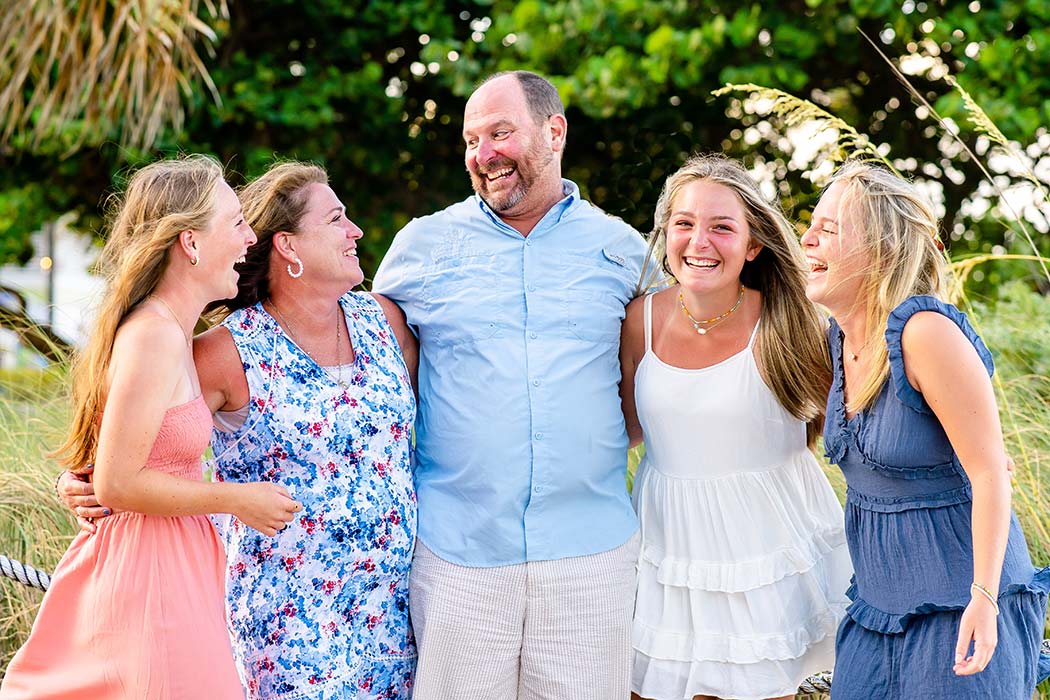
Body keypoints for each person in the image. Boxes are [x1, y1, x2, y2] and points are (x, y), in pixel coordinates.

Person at [57, 161, 420, 700]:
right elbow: (126, 449)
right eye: (337, 218)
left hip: (391, 613)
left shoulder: (385, 321)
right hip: (289, 623)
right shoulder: (221, 351)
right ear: (290, 248)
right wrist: (79, 481)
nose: (357, 232)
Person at [372, 70, 647, 699]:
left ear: (554, 132)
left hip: (591, 551)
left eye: (500, 133)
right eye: (471, 141)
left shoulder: (622, 250)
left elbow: (653, 381)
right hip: (457, 551)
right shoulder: (421, 245)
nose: (483, 155)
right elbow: (350, 373)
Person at [2, 155, 300, 699]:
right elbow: (119, 483)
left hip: (173, 567)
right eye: (235, 222)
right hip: (149, 578)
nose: (249, 237)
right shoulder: (153, 336)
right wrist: (237, 499)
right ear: (190, 242)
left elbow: (110, 465)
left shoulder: (174, 334)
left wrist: (78, 480)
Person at [801, 161, 1050, 699]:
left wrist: (984, 598)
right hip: (876, 611)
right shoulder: (836, 340)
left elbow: (989, 473)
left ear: (881, 250)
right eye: (811, 224)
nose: (808, 237)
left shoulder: (924, 333)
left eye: (829, 228)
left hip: (961, 604)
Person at [620, 154, 852, 700]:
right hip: (667, 543)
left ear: (753, 245)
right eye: (684, 223)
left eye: (721, 227)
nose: (699, 241)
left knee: (772, 686)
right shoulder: (640, 320)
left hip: (769, 546)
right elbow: (625, 432)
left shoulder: (790, 321)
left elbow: (844, 420)